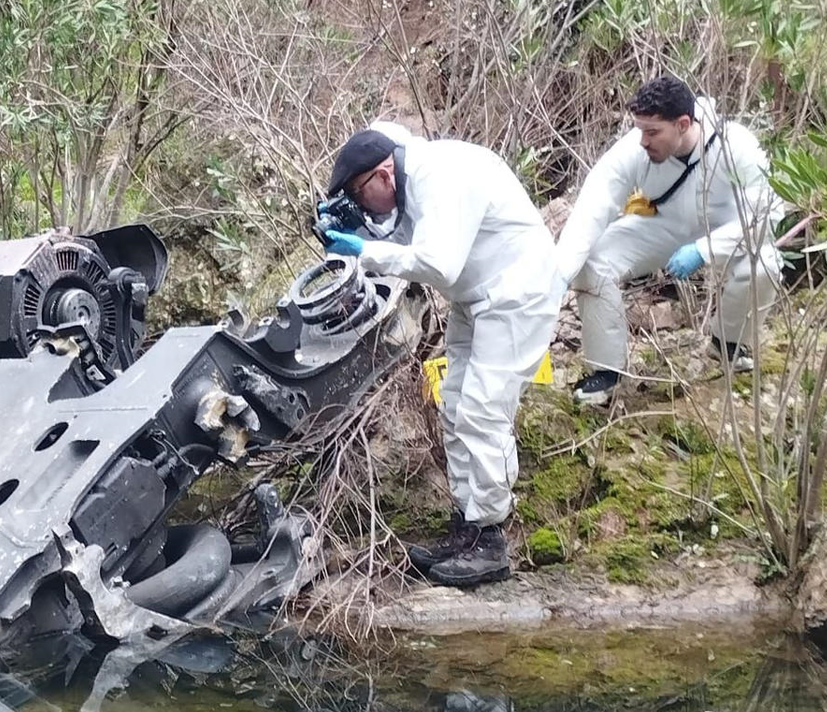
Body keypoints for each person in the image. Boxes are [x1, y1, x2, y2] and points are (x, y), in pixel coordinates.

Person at [321, 122, 560, 587]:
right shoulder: (412, 183)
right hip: (478, 297)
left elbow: (436, 262)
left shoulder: (442, 176)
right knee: (453, 404)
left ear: (383, 175)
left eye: (357, 191)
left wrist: (365, 252)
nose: (358, 201)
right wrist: (354, 232)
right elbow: (413, 245)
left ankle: (491, 540)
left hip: (517, 293)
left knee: (483, 409)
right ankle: (468, 525)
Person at [557, 75, 785, 405]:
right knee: (594, 263)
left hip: (726, 232)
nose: (643, 141)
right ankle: (606, 372)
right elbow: (594, 205)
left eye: (653, 132)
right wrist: (561, 271)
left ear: (682, 124)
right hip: (663, 226)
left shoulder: (738, 146)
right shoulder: (634, 150)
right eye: (640, 130)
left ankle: (729, 343)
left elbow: (764, 214)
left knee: (766, 264)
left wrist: (705, 250)